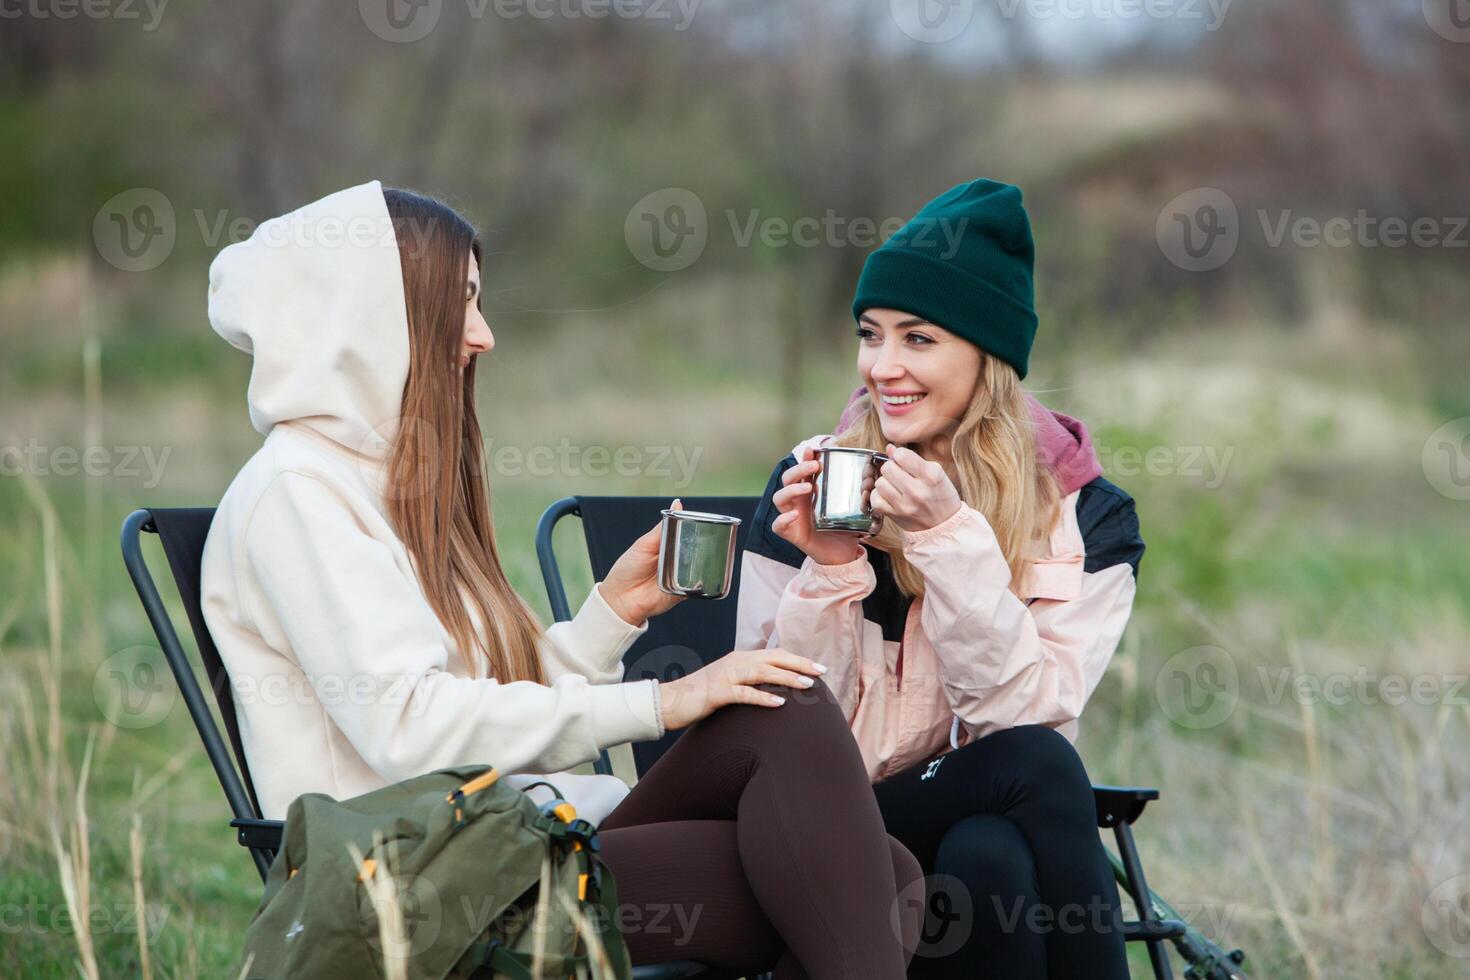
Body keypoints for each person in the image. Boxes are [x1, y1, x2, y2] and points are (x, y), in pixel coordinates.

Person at [199, 180, 922, 978]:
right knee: (857, 880)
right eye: (460, 303)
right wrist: (663, 701)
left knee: (828, 784)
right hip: (419, 886)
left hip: (504, 839)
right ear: (369, 319)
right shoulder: (297, 494)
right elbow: (412, 731)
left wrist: (609, 615)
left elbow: (483, 699)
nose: (483, 335)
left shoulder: (388, 481)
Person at [735, 178, 1143, 978]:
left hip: (968, 808)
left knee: (989, 854)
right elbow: (773, 721)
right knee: (1041, 773)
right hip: (814, 816)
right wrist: (832, 566)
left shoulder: (1088, 516)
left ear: (988, 356)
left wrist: (947, 540)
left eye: (918, 339)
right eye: (871, 333)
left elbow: (1023, 717)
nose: (883, 367)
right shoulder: (814, 480)